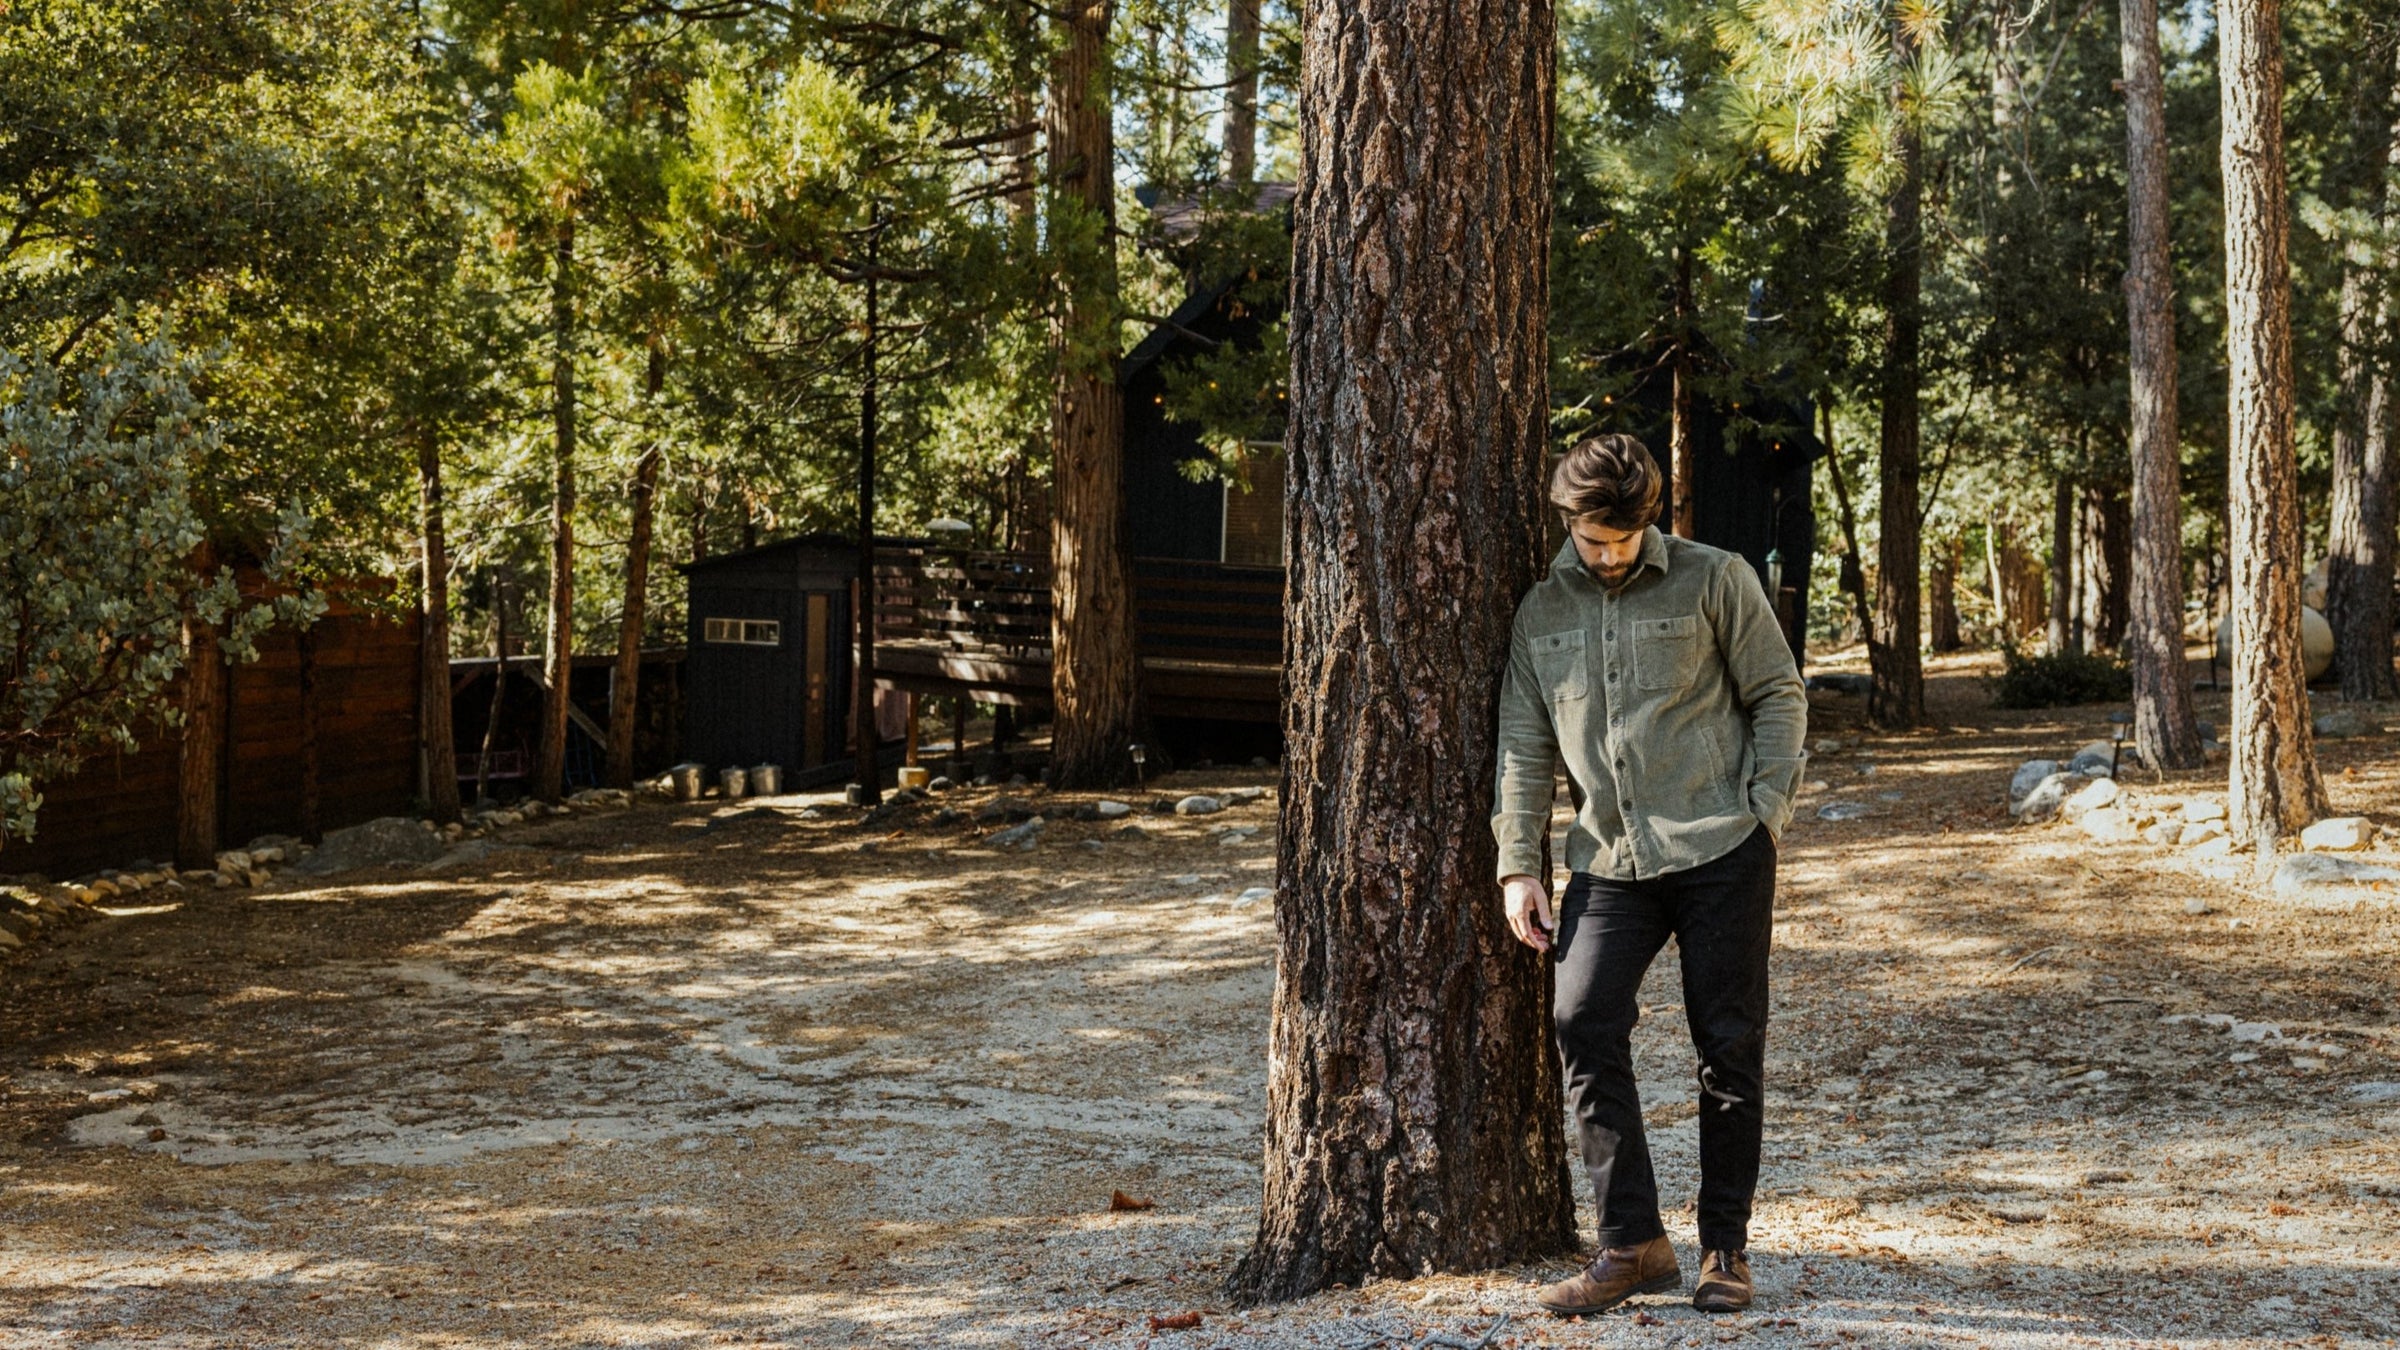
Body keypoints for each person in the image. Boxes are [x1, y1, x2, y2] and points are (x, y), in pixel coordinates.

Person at [1490, 433, 1807, 1316]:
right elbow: (1522, 746)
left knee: (1728, 1047)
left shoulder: (1716, 578)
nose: (1612, 553)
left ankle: (1725, 1249)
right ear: (1569, 523)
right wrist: (1519, 864)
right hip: (1608, 859)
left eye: (1626, 539)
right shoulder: (1540, 614)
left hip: (1720, 849)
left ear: (1649, 519)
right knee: (1581, 1015)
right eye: (1595, 539)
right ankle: (1632, 1242)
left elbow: (1778, 693)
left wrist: (1764, 813)